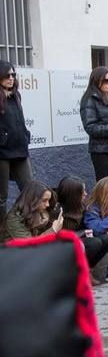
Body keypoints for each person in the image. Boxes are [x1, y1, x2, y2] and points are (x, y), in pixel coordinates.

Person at [56, 176, 108, 282]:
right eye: (82, 191)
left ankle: (87, 270)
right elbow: (59, 236)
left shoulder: (82, 206)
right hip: (64, 245)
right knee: (95, 243)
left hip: (80, 238)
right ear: (74, 195)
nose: (85, 194)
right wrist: (83, 232)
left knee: (106, 239)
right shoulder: (58, 210)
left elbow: (90, 223)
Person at [0, 60, 33, 230]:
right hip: (2, 152)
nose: (11, 78)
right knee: (1, 197)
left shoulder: (16, 95)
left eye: (13, 75)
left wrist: (25, 135)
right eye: (7, 75)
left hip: (20, 149)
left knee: (30, 189)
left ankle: (26, 226)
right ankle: (2, 231)